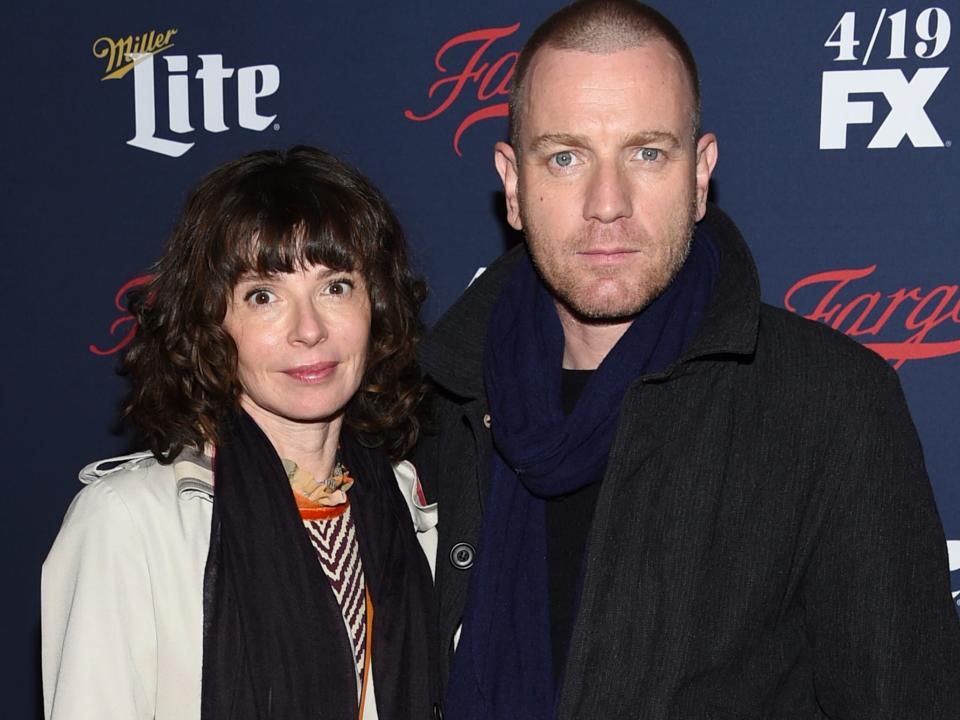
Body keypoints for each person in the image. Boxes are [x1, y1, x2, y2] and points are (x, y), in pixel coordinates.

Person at [414, 1, 960, 718]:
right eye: (566, 156)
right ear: (513, 184)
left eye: (647, 152)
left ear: (700, 173)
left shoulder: (828, 405)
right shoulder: (435, 402)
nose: (607, 204)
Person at [42, 146, 438, 720]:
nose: (309, 330)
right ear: (209, 321)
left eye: (335, 287)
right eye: (263, 296)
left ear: (375, 306)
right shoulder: (128, 524)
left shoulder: (406, 503)